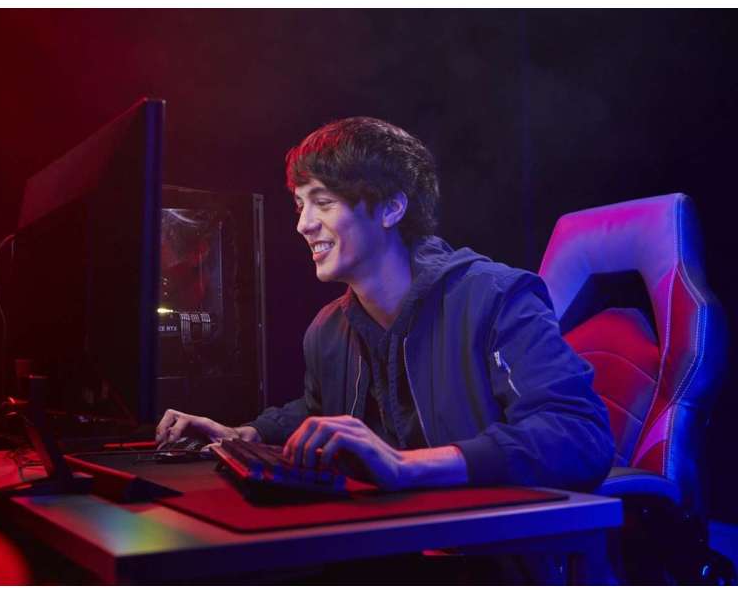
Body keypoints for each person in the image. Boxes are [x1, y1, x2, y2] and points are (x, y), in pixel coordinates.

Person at [155, 117, 614, 494]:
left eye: (323, 202)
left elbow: (579, 434)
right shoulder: (328, 330)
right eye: (300, 205)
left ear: (392, 209)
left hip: (488, 557)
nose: (303, 224)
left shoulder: (496, 298)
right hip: (393, 551)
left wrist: (405, 465)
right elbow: (318, 412)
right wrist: (246, 435)